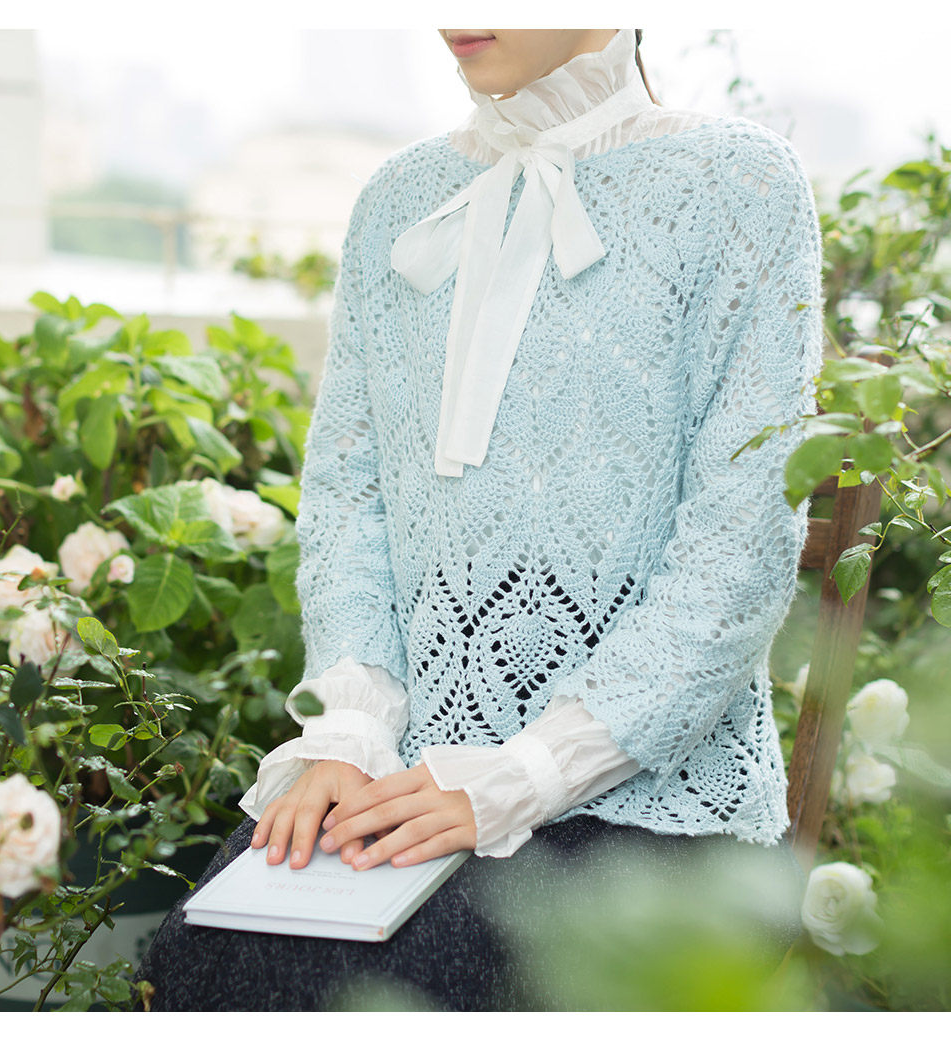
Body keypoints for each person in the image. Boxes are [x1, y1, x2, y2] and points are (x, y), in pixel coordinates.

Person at [136, 28, 823, 1010]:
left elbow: (739, 549)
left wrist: (524, 775)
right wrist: (350, 731)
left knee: (380, 979)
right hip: (406, 780)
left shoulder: (737, 184)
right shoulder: (399, 199)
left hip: (657, 805)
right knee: (208, 951)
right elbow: (350, 501)